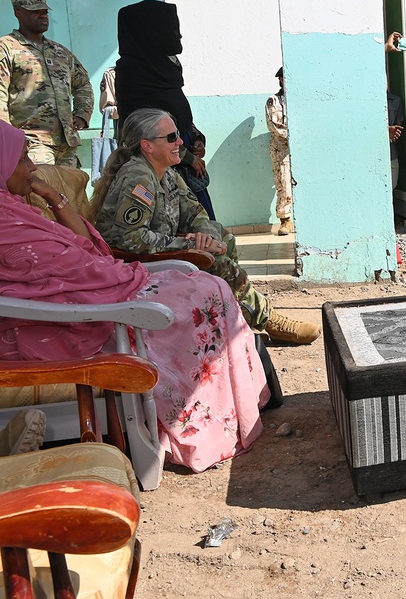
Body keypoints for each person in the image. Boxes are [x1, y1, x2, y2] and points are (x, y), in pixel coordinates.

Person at [0, 119, 269, 472]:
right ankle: (198, 420)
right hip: (86, 310)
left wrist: (53, 197)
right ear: (147, 145)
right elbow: (117, 248)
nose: (32, 167)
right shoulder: (136, 179)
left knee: (211, 284)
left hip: (105, 288)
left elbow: (88, 250)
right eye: (22, 159)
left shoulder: (16, 208)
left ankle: (241, 404)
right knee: (200, 295)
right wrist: (183, 246)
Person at [90, 108, 320, 345]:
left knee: (223, 238)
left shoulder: (166, 173)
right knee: (216, 261)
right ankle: (267, 319)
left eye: (177, 135)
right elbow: (130, 239)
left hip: (154, 253)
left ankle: (235, 318)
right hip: (131, 264)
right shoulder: (138, 176)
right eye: (171, 137)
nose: (180, 142)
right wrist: (189, 244)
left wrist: (207, 238)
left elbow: (197, 214)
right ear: (147, 145)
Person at [115, 0, 215, 218]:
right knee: (185, 230)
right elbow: (147, 134)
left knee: (206, 227)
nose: (178, 36)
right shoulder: (134, 75)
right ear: (149, 32)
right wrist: (188, 157)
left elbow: (180, 111)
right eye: (171, 29)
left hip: (184, 158)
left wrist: (198, 139)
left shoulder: (165, 67)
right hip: (161, 169)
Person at [0, 0, 94, 167]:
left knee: (70, 193)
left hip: (67, 144)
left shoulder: (60, 52)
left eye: (44, 11)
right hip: (32, 142)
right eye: (35, 12)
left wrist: (82, 114)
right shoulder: (6, 48)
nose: (43, 15)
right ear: (18, 12)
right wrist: (8, 139)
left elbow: (83, 84)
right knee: (42, 192)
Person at [266, 67, 294, 235]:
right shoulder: (273, 101)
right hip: (281, 148)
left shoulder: (301, 99)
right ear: (281, 80)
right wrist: (295, 137)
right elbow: (275, 126)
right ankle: (285, 221)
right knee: (283, 183)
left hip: (300, 148)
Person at [387, 80, 404, 190]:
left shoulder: (395, 101)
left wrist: (393, 132)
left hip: (391, 151)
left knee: (392, 183)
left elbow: (399, 125)